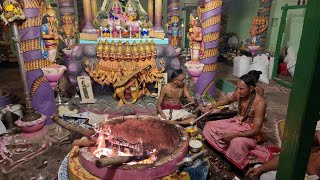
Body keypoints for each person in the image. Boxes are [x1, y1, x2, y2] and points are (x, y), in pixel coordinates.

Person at [203, 73, 270, 169]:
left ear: (251, 89)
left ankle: (233, 160)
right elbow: (228, 100)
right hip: (236, 122)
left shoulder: (260, 103)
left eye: (241, 89)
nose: (238, 91)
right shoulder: (239, 93)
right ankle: (226, 150)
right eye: (237, 87)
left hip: (249, 130)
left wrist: (234, 135)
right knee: (209, 125)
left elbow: (256, 130)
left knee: (237, 143)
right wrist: (213, 105)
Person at [246, 124, 320, 180]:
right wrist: (260, 169)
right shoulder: (306, 142)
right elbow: (286, 158)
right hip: (301, 170)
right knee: (260, 172)